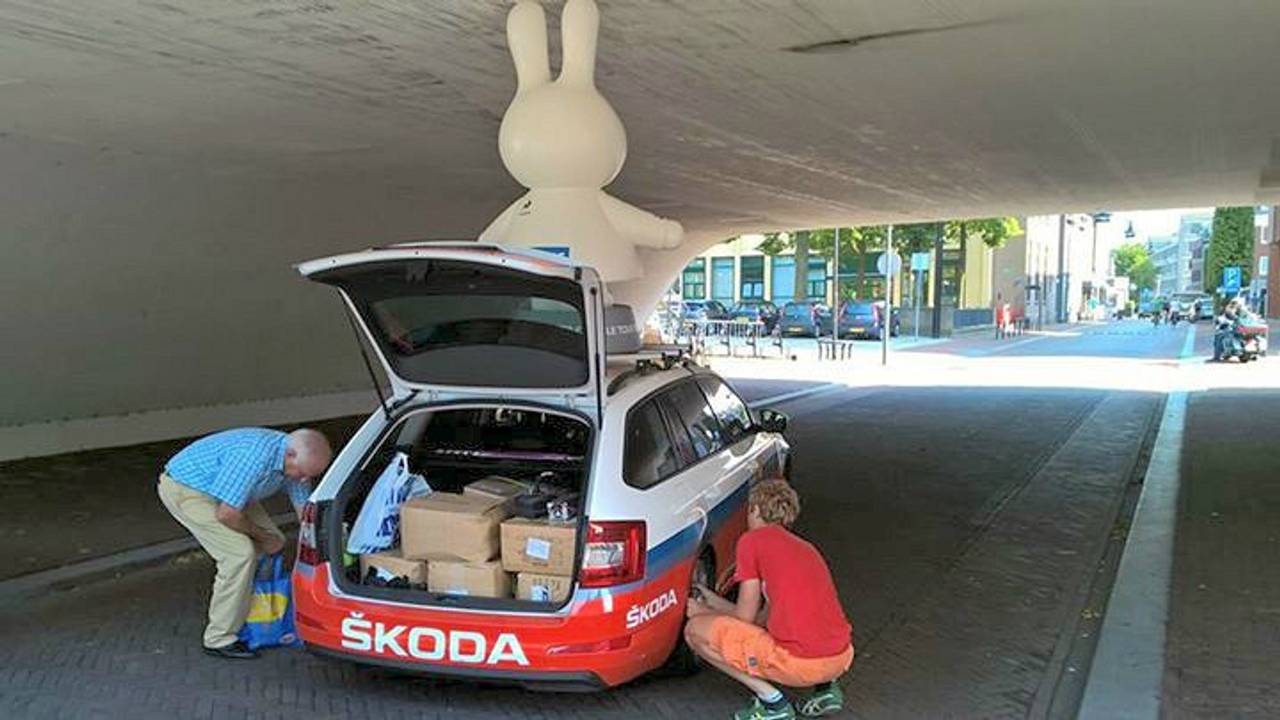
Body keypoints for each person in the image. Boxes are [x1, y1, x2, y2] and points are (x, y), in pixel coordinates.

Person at [684, 479, 854, 720]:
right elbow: (761, 619)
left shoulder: (751, 542)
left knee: (694, 631)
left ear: (754, 509)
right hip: (840, 656)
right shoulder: (806, 548)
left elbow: (744, 618)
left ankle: (773, 703)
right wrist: (710, 599)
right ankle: (827, 689)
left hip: (800, 664)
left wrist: (702, 613)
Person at [157, 427, 333, 659]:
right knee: (239, 555)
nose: (303, 479)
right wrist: (263, 538)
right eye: (301, 473)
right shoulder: (254, 457)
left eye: (310, 475)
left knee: (277, 541)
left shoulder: (298, 463)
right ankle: (219, 638)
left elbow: (304, 515)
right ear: (290, 455)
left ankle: (256, 613)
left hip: (232, 491)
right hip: (189, 489)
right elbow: (227, 514)